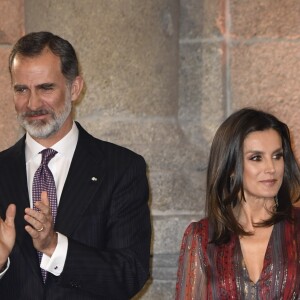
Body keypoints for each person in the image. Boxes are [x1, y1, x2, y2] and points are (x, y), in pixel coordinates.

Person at [0, 31, 151, 299]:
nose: (32, 103)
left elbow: (130, 274)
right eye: (21, 89)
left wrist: (54, 246)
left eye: (46, 88)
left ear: (75, 88)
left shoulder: (121, 169)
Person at [176, 108, 300, 299]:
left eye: (277, 156)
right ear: (231, 166)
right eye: (256, 158)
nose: (271, 168)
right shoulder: (201, 237)